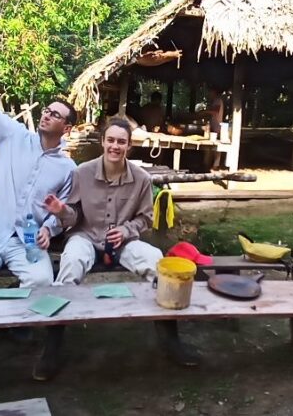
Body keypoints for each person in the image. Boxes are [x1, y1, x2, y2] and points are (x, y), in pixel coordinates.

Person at [35, 117, 199, 381]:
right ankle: (52, 348)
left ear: (129, 146)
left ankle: (170, 340)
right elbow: (74, 215)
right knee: (71, 263)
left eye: (121, 141)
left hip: (122, 242)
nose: (115, 146)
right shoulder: (82, 173)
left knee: (157, 262)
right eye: (110, 140)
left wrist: (125, 230)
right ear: (102, 142)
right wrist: (61, 211)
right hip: (86, 236)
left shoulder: (142, 178)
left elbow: (145, 217)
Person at [0, 17, 77, 291]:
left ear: (66, 128)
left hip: (28, 239)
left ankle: (16, 324)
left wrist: (48, 229)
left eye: (55, 114)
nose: (46, 114)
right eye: (46, 110)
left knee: (42, 281)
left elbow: (64, 210)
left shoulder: (67, 168)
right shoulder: (13, 136)